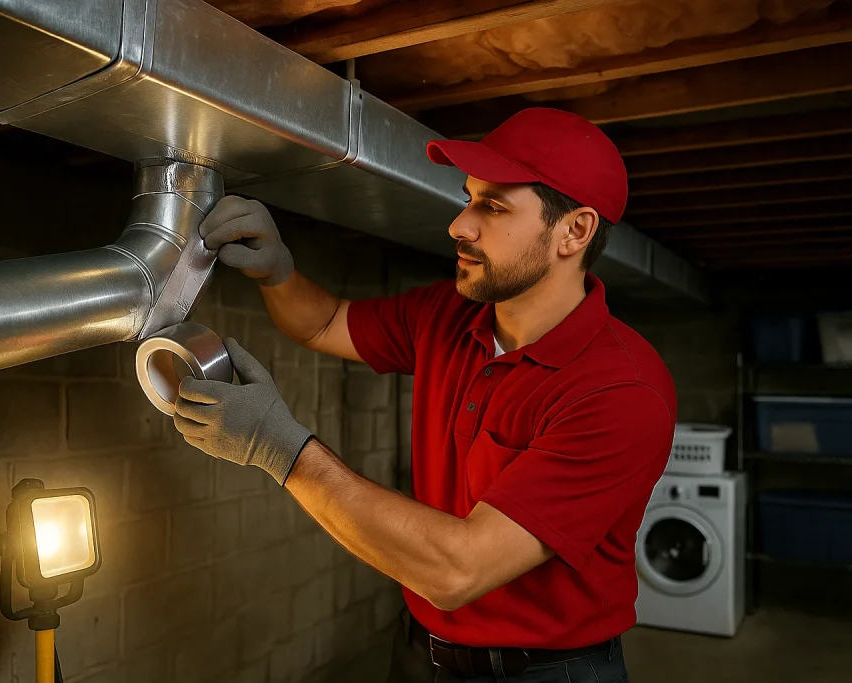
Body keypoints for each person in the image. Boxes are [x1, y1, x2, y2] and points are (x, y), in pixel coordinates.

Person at [174, 107, 676, 683]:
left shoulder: (621, 391)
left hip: (547, 672)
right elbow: (325, 322)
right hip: (418, 651)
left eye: (493, 206)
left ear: (575, 231)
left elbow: (458, 571)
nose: (460, 224)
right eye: (469, 197)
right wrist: (278, 274)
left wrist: (277, 447)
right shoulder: (449, 313)